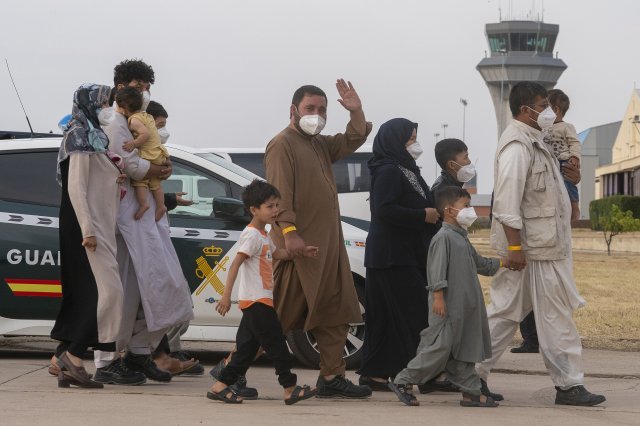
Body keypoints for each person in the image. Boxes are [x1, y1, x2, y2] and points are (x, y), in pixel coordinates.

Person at [476, 81, 606, 407]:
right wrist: (516, 250)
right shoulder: (517, 148)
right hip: (533, 251)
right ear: (525, 110)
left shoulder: (537, 142)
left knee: (505, 313)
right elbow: (506, 204)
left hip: (541, 247)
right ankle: (568, 385)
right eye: (542, 105)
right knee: (552, 315)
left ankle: (467, 373)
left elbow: (553, 187)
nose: (549, 111)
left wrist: (573, 177)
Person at [264, 80, 373, 398]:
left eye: (322, 110)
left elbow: (354, 137)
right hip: (298, 248)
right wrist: (289, 234)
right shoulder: (282, 144)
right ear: (293, 110)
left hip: (326, 248)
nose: (317, 114)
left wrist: (356, 111)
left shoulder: (319, 144)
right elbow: (280, 193)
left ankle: (332, 375)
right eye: (310, 109)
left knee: (336, 311)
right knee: (276, 319)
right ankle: (229, 372)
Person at [91, 59, 194, 385]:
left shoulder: (135, 119)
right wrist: (155, 170)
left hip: (144, 218)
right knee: (119, 292)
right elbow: (126, 161)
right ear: (121, 86)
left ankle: (138, 355)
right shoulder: (111, 121)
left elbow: (147, 158)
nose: (145, 93)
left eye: (148, 87)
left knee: (152, 286)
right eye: (140, 86)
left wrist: (158, 167)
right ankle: (107, 359)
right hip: (122, 221)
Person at [389, 187, 503, 407]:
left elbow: (480, 264)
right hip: (447, 307)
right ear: (450, 211)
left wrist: (504, 263)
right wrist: (438, 297)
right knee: (439, 348)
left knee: (464, 350)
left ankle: (471, 392)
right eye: (466, 206)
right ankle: (403, 380)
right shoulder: (443, 238)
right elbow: (436, 270)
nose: (470, 210)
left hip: (464, 307)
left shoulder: (461, 238)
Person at [207, 180, 319, 404]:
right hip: (257, 301)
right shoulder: (251, 235)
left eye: (277, 205)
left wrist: (301, 251)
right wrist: (226, 296)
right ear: (253, 210)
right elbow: (236, 264)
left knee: (246, 351)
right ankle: (290, 388)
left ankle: (219, 386)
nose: (275, 210)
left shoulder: (263, 234)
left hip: (258, 301)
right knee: (277, 344)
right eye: (270, 206)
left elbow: (277, 254)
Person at [357, 118, 439, 392]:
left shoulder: (406, 169)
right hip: (391, 256)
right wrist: (421, 215)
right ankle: (421, 373)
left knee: (388, 318)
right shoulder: (389, 170)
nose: (415, 144)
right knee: (415, 314)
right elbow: (384, 210)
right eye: (409, 139)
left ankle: (376, 374)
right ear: (395, 141)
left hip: (403, 253)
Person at [50, 83, 125, 388]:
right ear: (89, 103)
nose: (108, 107)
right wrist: (88, 230)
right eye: (104, 102)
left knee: (93, 294)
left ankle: (69, 359)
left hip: (98, 226)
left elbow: (95, 184)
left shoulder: (95, 137)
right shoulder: (79, 135)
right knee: (107, 293)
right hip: (86, 227)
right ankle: (73, 356)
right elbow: (76, 188)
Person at [116, 87, 169, 222]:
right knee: (155, 183)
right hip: (159, 153)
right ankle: (161, 206)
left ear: (122, 108)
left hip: (149, 154)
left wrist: (133, 143)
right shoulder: (147, 115)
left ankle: (144, 204)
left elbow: (145, 134)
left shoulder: (134, 120)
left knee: (139, 181)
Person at [545, 89, 581, 222]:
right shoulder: (543, 127)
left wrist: (574, 157)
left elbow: (575, 143)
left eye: (546, 107)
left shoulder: (566, 127)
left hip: (564, 160)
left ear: (556, 110)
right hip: (550, 162)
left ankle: (574, 205)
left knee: (568, 183)